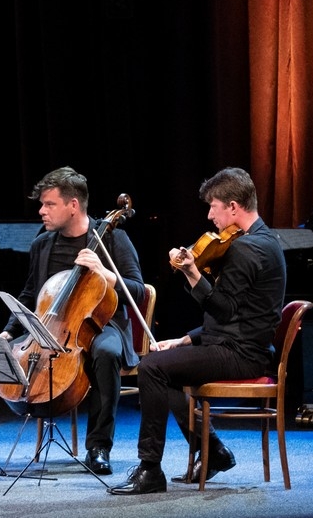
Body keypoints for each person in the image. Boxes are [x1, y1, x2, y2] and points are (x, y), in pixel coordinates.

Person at [0, 166, 144, 476]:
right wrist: (8, 333)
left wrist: (104, 272)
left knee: (107, 353)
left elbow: (138, 291)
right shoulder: (42, 244)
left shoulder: (113, 238)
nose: (41, 211)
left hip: (101, 325)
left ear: (73, 205)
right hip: (50, 328)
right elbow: (32, 293)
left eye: (49, 204)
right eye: (42, 204)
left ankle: (99, 447)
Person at [110, 166, 287, 495]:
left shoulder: (247, 248)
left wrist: (192, 273)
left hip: (241, 355)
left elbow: (223, 310)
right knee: (164, 368)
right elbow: (238, 317)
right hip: (243, 347)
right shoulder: (263, 239)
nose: (209, 216)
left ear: (233, 206)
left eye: (213, 207)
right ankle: (214, 451)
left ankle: (150, 469)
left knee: (151, 367)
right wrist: (184, 340)